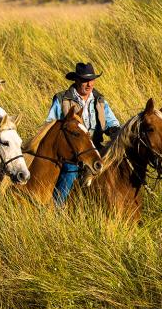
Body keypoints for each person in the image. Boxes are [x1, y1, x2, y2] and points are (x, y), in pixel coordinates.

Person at [46, 62, 120, 206]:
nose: (89, 84)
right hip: (70, 150)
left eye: (91, 80)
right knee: (70, 170)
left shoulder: (99, 99)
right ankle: (57, 207)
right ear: (76, 80)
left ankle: (106, 205)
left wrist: (114, 130)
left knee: (115, 167)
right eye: (85, 80)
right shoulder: (62, 99)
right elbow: (50, 124)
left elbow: (111, 121)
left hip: (95, 146)